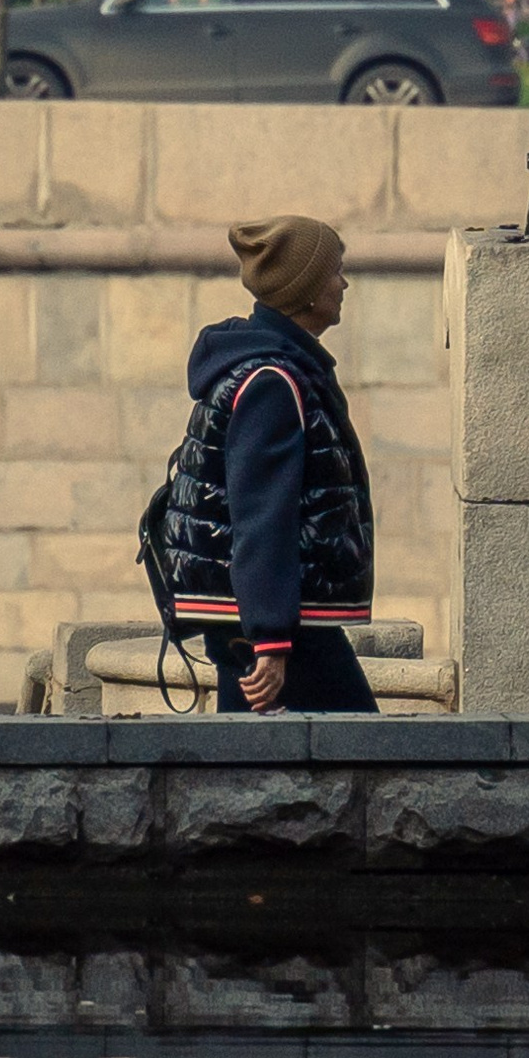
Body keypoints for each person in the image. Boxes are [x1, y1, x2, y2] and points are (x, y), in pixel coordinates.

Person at [168, 214, 376, 714]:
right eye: (335, 271)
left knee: (255, 772)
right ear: (304, 290)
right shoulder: (272, 383)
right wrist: (270, 639)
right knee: (364, 758)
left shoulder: (275, 369)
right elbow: (263, 517)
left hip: (270, 623)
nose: (343, 283)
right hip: (278, 629)